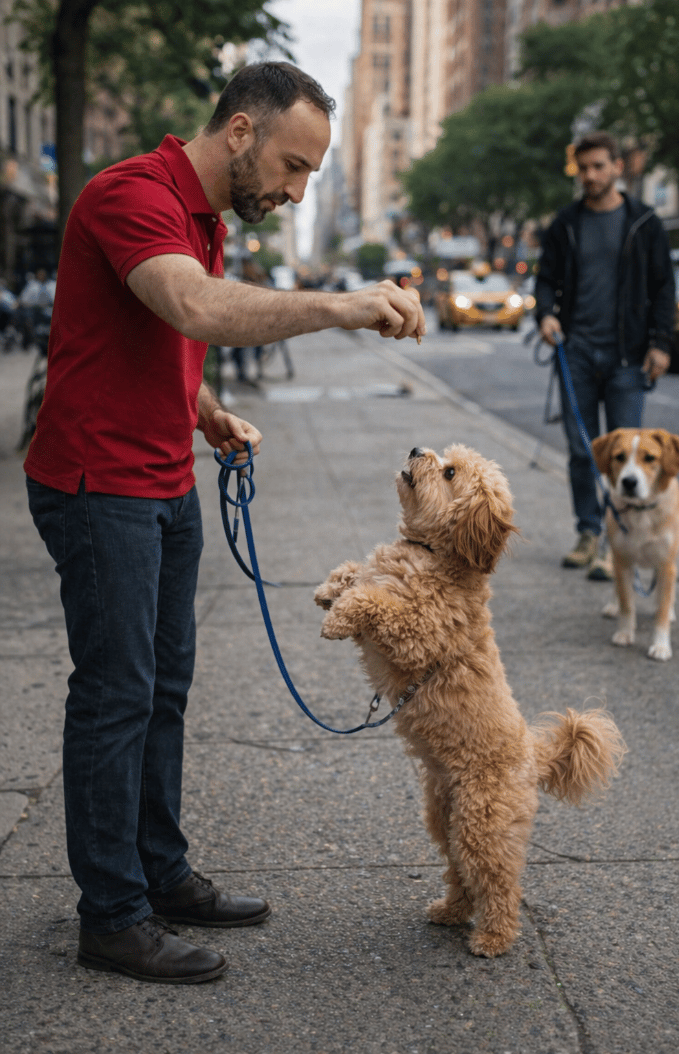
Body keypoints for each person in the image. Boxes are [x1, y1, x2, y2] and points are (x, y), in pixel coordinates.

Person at [24, 61, 425, 986]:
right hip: (98, 484)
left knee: (163, 688)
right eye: (293, 167)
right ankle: (112, 914)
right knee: (116, 695)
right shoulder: (131, 193)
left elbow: (158, 332)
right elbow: (194, 305)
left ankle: (159, 874)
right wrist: (346, 305)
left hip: (164, 477)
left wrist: (200, 406)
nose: (294, 191)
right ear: (239, 133)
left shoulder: (200, 217)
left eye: (310, 177)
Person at [535, 131, 675, 579]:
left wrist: (661, 344)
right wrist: (545, 315)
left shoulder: (645, 222)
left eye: (599, 166)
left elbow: (663, 288)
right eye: (584, 167)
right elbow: (544, 281)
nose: (591, 175)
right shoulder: (565, 224)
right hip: (574, 351)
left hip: (627, 358)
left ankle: (621, 544)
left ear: (618, 166)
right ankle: (589, 532)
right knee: (582, 451)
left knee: (629, 455)